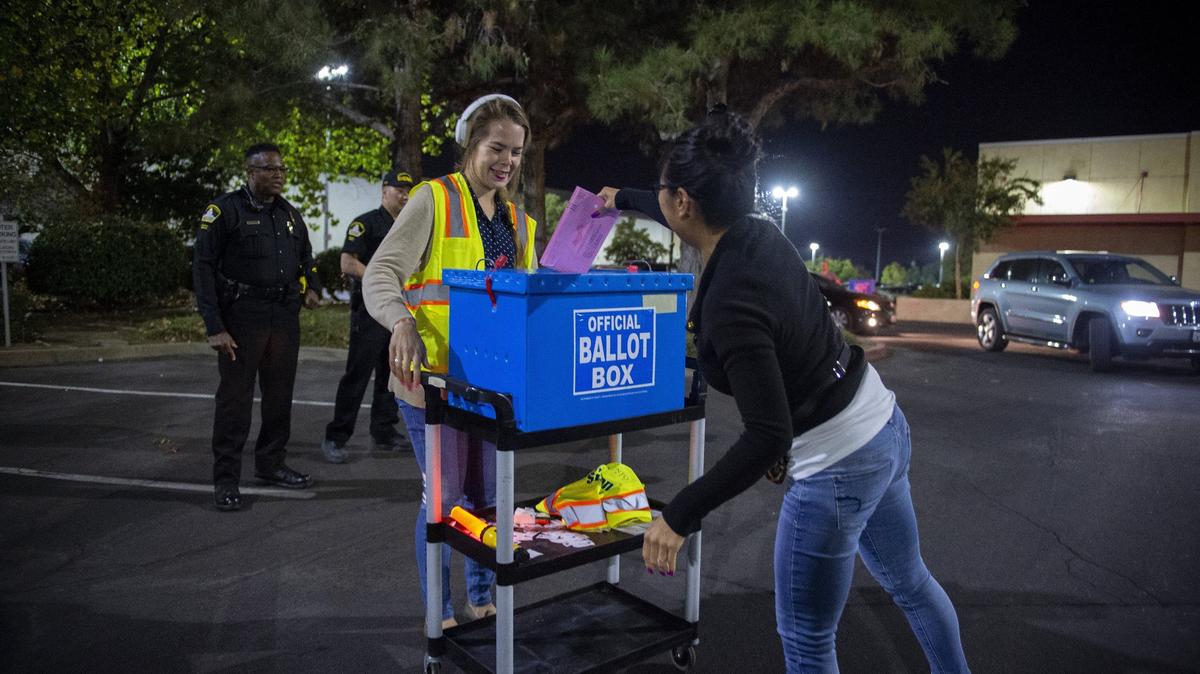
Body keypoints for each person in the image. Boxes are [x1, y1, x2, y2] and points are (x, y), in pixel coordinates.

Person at [602, 109, 969, 673]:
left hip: (835, 464)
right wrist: (624, 197)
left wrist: (680, 514)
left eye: (664, 194)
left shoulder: (729, 303)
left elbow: (768, 436)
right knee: (912, 584)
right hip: (882, 425)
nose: (664, 201)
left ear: (685, 202)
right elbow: (679, 207)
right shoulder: (758, 232)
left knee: (806, 638)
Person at [363, 94, 537, 629]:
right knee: (445, 500)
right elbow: (379, 274)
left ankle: (480, 600)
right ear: (470, 144)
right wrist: (402, 322)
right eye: (496, 148)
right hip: (433, 383)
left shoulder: (520, 222)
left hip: (493, 386)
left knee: (488, 499)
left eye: (516, 152)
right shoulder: (433, 200)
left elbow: (524, 298)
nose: (506, 161)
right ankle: (438, 615)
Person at [193, 142, 321, 512]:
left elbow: (306, 257)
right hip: (242, 316)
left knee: (279, 397)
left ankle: (271, 464)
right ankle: (226, 479)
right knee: (235, 401)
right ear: (250, 172)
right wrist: (214, 325)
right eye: (269, 169)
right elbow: (201, 268)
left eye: (281, 169)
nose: (278, 175)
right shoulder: (224, 211)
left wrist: (311, 286)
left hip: (283, 316)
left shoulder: (290, 215)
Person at [320, 170, 415, 464]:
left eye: (407, 190)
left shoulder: (408, 226)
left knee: (391, 375)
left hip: (399, 313)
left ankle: (384, 431)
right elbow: (348, 262)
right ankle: (336, 436)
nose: (404, 195)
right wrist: (380, 280)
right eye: (398, 189)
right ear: (384, 191)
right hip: (371, 311)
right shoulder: (367, 223)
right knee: (357, 376)